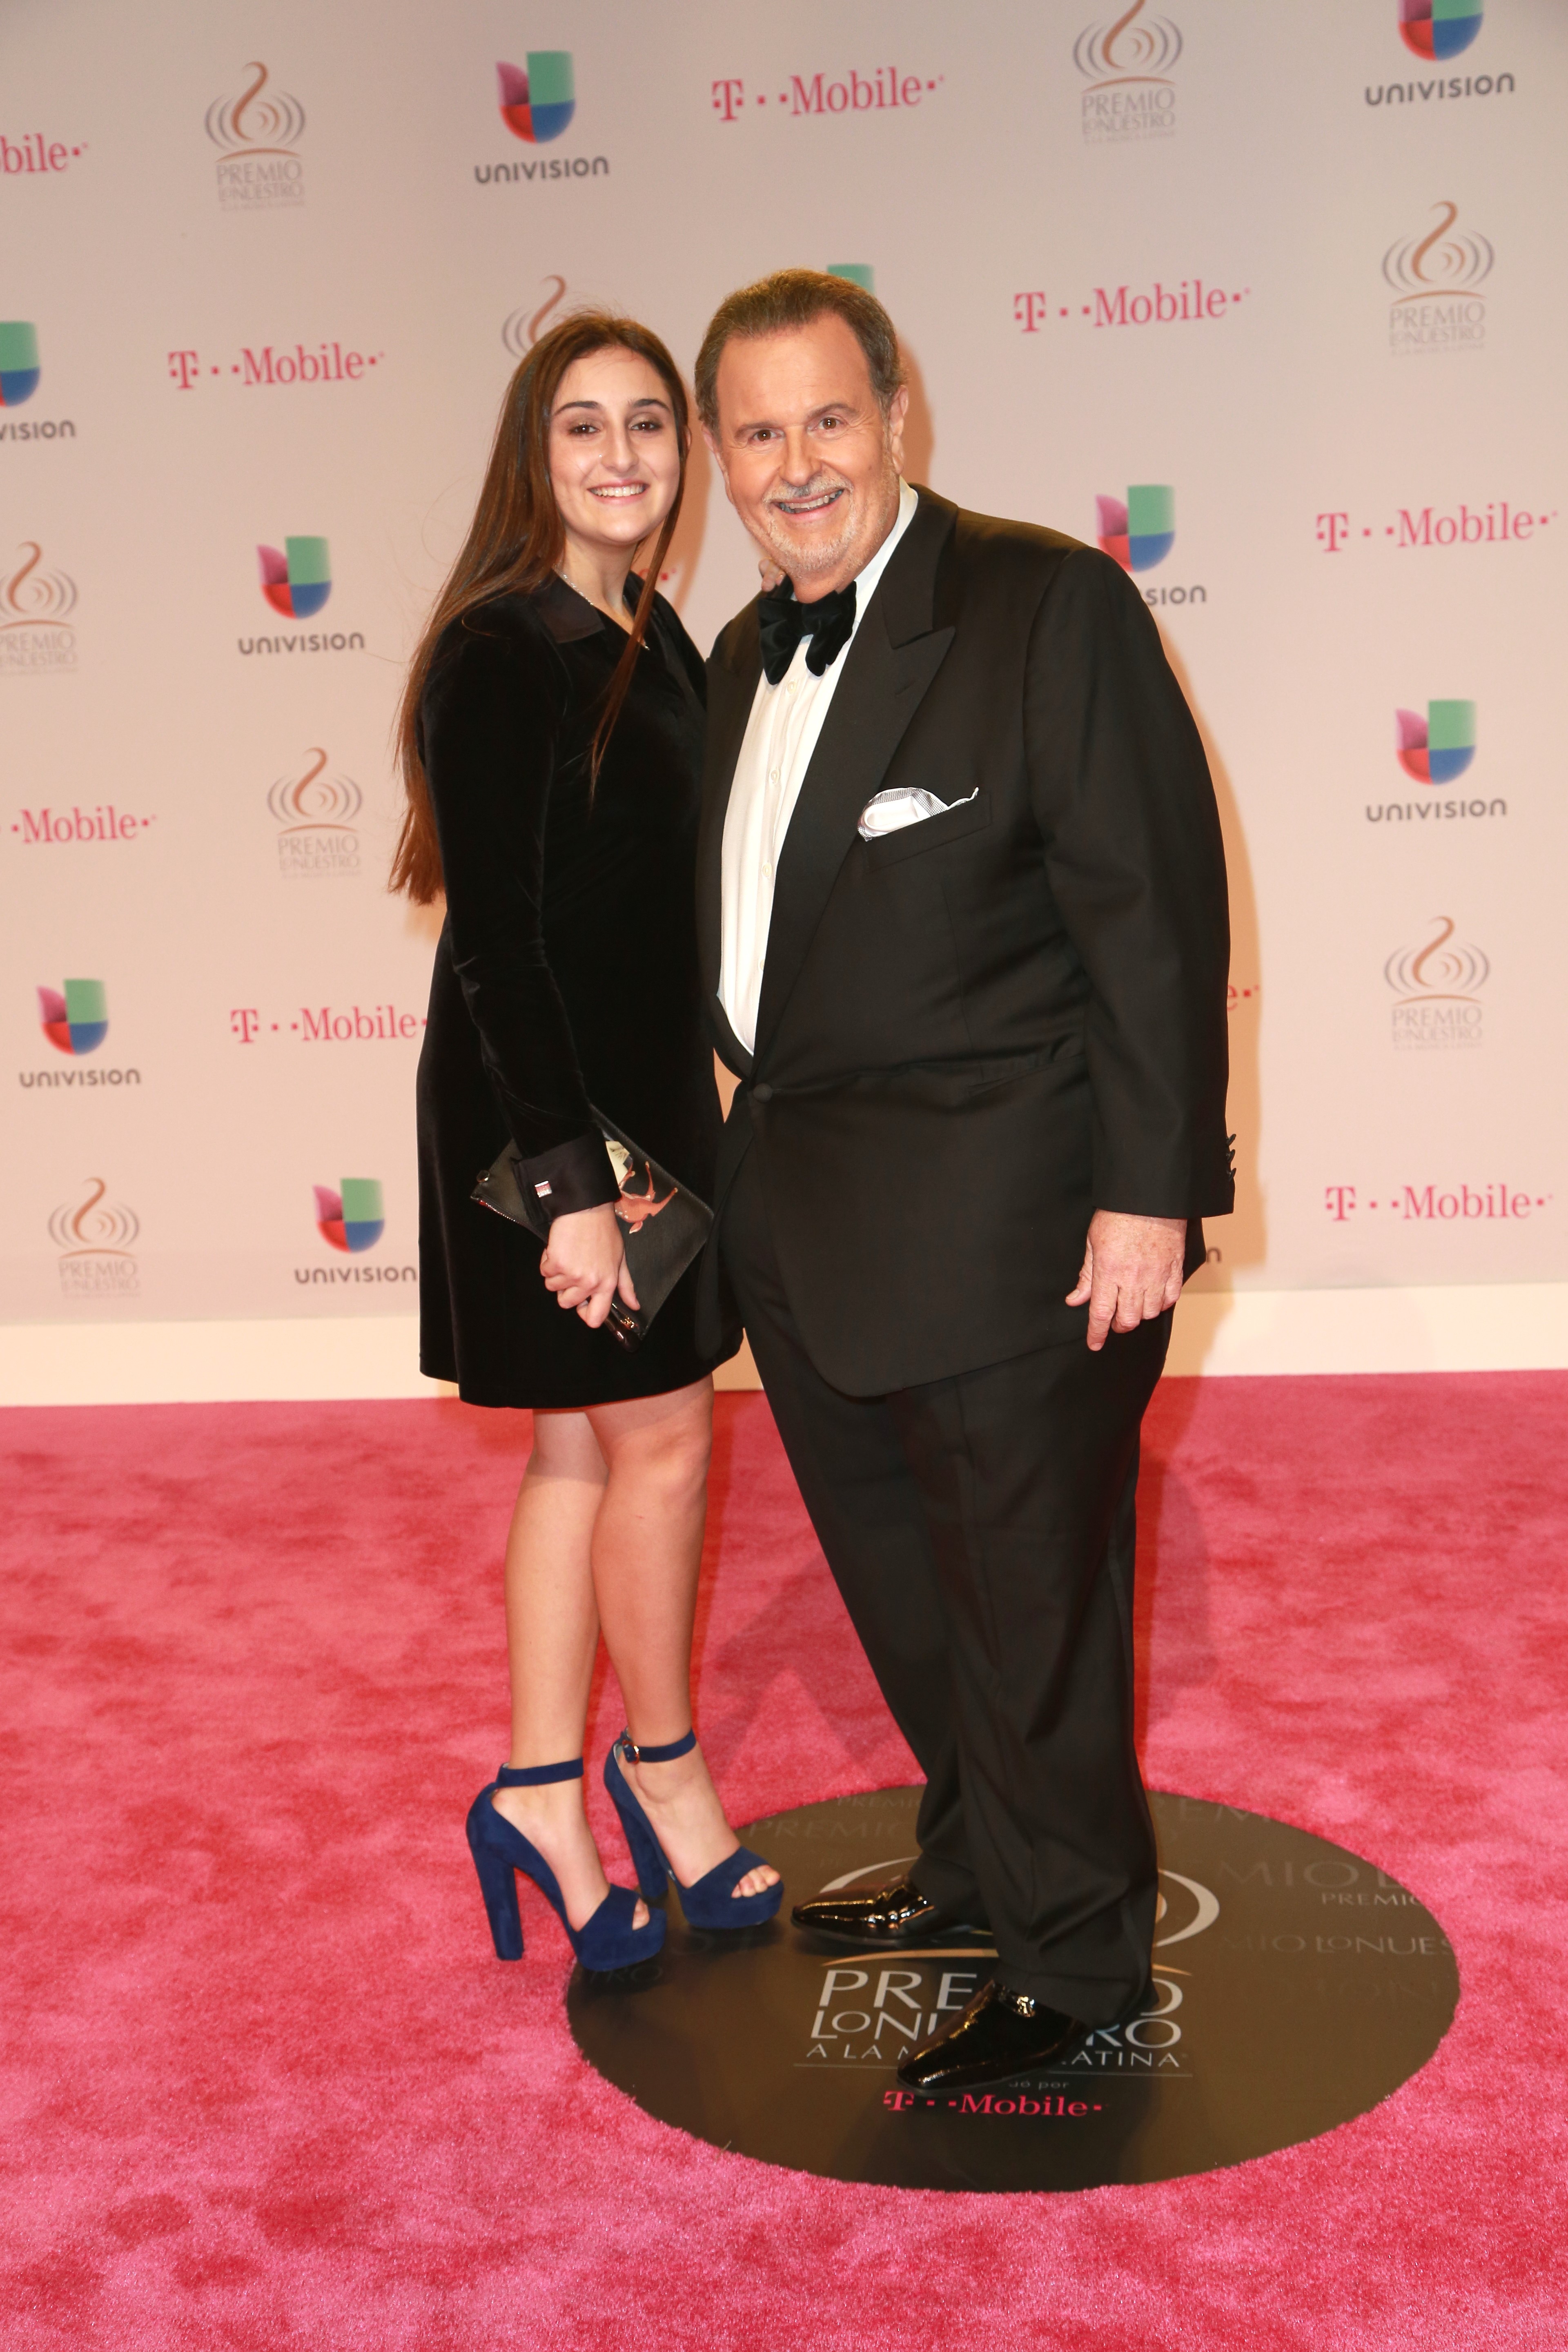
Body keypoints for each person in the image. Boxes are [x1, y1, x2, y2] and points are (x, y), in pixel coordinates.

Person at [691, 270, 1232, 2089]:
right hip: (807, 1237)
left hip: (1018, 1236)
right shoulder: (731, 660)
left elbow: (1147, 915)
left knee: (1031, 1619)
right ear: (719, 458)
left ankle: (1075, 1967)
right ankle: (968, 1865)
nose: (796, 463)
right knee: (915, 1603)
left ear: (899, 414)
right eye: (756, 433)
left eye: (827, 418)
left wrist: (1150, 1194)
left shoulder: (1039, 606)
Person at [392, 312, 781, 1976]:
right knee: (668, 1447)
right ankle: (665, 1778)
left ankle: (541, 1791)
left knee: (579, 1453)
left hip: (636, 1103)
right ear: (530, 459)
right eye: (581, 428)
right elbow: (498, 940)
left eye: (648, 425)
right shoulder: (502, 647)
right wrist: (569, 1192)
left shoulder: (652, 632)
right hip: (552, 1114)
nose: (622, 455)